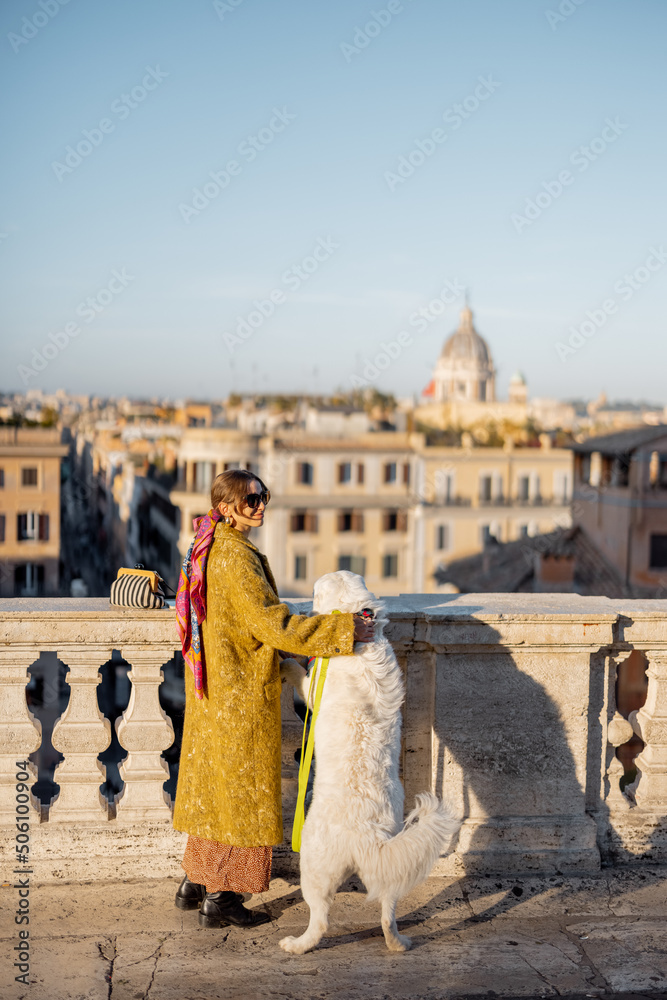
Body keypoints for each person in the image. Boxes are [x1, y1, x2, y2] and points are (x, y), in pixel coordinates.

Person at [172, 469, 374, 928]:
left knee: (215, 790)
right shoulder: (235, 559)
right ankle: (223, 899)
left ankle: (196, 881)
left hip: (214, 690)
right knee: (243, 795)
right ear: (226, 507)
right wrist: (345, 629)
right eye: (250, 500)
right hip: (238, 693)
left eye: (264, 496)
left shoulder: (210, 544)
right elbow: (271, 624)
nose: (260, 505)